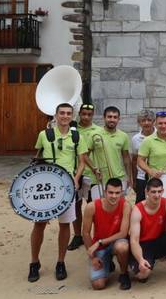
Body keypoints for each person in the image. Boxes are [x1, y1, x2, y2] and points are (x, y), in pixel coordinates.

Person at [29, 103, 88, 282]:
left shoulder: (77, 136)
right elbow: (37, 157)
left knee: (64, 224)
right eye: (62, 113)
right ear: (56, 115)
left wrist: (76, 179)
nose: (65, 116)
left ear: (72, 116)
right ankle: (34, 262)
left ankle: (60, 262)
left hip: (67, 185)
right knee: (39, 224)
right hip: (47, 185)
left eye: (68, 113)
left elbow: (82, 162)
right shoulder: (44, 134)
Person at [81, 178, 132, 290]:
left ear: (121, 193)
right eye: (111, 192)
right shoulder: (92, 207)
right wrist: (93, 257)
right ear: (105, 192)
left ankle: (124, 274)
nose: (114, 196)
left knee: (122, 247)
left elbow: (123, 233)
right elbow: (85, 233)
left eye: (117, 193)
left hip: (116, 242)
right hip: (100, 248)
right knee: (98, 285)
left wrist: (100, 242)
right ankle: (107, 265)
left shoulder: (126, 206)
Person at [68, 103, 101, 251]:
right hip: (75, 173)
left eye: (89, 114)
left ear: (93, 115)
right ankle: (77, 236)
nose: (86, 117)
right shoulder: (72, 129)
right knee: (76, 206)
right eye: (84, 114)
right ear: (79, 114)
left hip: (92, 175)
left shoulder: (98, 131)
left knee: (93, 207)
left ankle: (94, 235)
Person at [137, 112, 166, 184]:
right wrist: (150, 171)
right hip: (155, 181)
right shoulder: (148, 141)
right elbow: (140, 161)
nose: (163, 126)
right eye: (160, 123)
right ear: (155, 124)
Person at [131, 110, 156, 203]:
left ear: (154, 121)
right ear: (139, 122)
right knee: (140, 203)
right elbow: (134, 160)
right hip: (141, 177)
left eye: (149, 120)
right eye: (143, 120)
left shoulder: (159, 135)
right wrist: (134, 180)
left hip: (157, 175)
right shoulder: (135, 139)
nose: (146, 123)